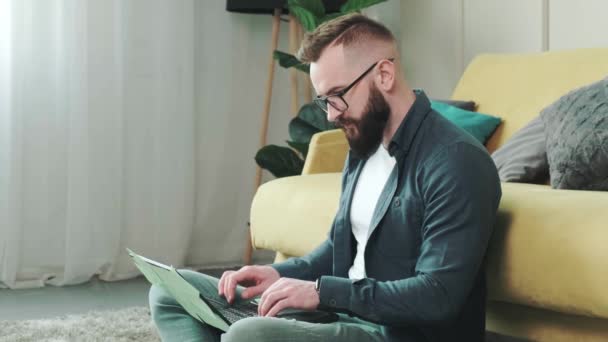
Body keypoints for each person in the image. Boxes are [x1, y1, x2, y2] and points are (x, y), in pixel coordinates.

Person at [149, 13, 501, 342]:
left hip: (392, 332)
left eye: (337, 96)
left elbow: (437, 296)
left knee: (249, 335)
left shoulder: (456, 161)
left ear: (384, 75)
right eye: (325, 100)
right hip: (339, 313)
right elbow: (340, 248)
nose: (331, 115)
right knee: (169, 292)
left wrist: (320, 292)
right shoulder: (365, 144)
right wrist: (280, 274)